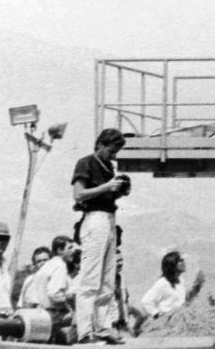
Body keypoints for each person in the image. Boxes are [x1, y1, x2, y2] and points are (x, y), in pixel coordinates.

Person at [72, 128, 130, 344]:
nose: (114, 155)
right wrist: (107, 186)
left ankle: (103, 328)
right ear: (102, 145)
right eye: (113, 150)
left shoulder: (107, 168)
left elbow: (104, 193)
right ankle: (85, 330)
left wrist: (117, 190)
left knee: (107, 279)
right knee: (90, 279)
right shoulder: (85, 163)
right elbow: (79, 193)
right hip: (94, 219)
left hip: (109, 219)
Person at [30, 235, 77, 310]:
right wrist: (70, 308)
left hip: (43, 311)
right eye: (70, 248)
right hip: (56, 314)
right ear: (60, 250)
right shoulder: (60, 265)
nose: (73, 250)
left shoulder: (48, 265)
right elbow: (55, 295)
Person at [141, 251, 187, 318]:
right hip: (166, 323)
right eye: (180, 261)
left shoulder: (181, 281)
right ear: (172, 264)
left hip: (179, 321)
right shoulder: (163, 283)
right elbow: (145, 302)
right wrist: (157, 314)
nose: (184, 262)